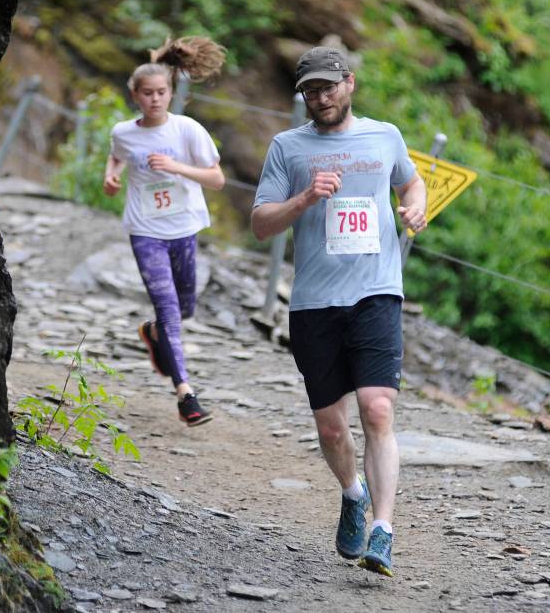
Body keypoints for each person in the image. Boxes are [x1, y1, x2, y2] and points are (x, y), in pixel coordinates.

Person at [251, 46, 427, 577]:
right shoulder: (287, 148)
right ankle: (353, 494)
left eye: (328, 86)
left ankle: (383, 530)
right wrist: (304, 200)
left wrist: (416, 204)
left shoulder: (384, 135)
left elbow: (411, 180)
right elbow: (261, 223)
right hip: (314, 302)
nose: (320, 97)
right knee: (331, 428)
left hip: (376, 291)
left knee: (377, 409)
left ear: (349, 83)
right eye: (310, 90)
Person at [102, 37, 227, 427]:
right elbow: (119, 153)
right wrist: (113, 174)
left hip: (184, 227)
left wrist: (177, 168)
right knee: (169, 309)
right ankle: (186, 394)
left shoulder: (187, 130)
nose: (155, 99)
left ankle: (154, 334)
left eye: (161, 92)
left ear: (171, 93)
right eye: (147, 93)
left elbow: (217, 179)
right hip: (145, 230)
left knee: (185, 306)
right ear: (135, 95)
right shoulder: (124, 131)